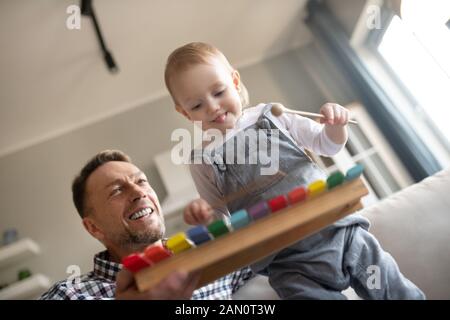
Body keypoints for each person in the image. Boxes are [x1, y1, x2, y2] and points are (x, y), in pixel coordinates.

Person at [163, 41, 425, 299]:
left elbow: (327, 144)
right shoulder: (202, 159)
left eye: (218, 92)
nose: (212, 107)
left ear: (233, 81)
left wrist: (336, 126)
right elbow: (219, 217)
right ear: (185, 113)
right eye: (197, 105)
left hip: (339, 231)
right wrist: (205, 216)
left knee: (388, 286)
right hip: (287, 263)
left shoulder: (274, 115)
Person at [40, 150, 253, 300]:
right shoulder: (69, 294)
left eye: (141, 181)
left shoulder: (206, 254)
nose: (139, 192)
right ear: (93, 227)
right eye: (116, 190)